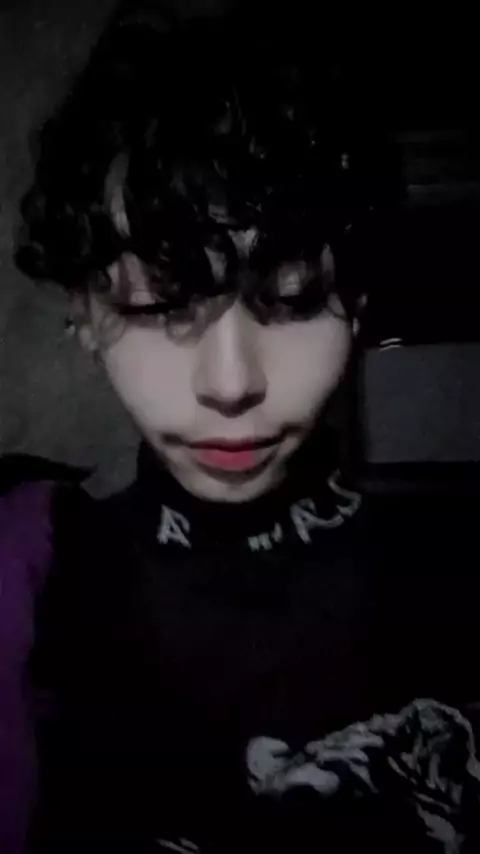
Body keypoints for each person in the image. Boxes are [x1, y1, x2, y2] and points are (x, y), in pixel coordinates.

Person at [3, 2, 480, 851]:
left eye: (293, 300)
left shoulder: (455, 577)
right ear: (85, 313)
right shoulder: (42, 587)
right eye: (159, 305)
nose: (231, 385)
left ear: (358, 302)